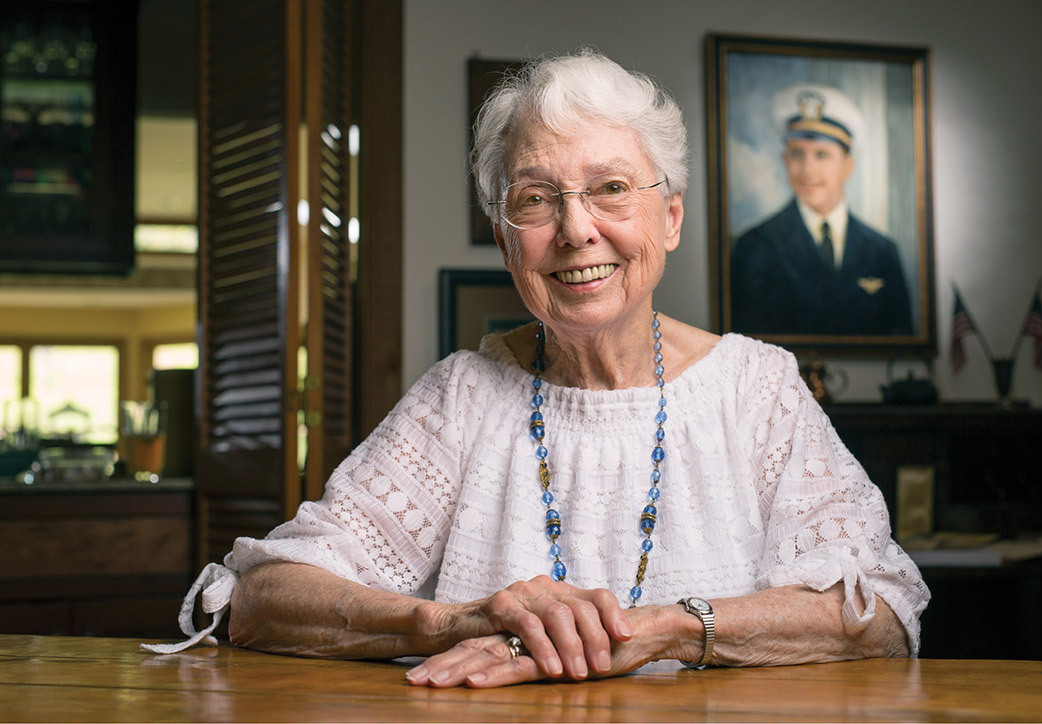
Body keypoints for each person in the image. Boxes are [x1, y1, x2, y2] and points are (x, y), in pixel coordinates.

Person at [145, 50, 929, 688]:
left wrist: (663, 631)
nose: (576, 229)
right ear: (503, 235)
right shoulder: (461, 397)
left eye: (611, 189)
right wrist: (447, 620)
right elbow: (259, 598)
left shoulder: (757, 388)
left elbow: (882, 614)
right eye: (536, 199)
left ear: (673, 216)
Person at [730, 84, 914, 337]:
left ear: (848, 165)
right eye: (797, 154)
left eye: (822, 155)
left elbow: (902, 340)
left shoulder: (882, 252)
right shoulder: (755, 247)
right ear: (784, 160)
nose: (808, 170)